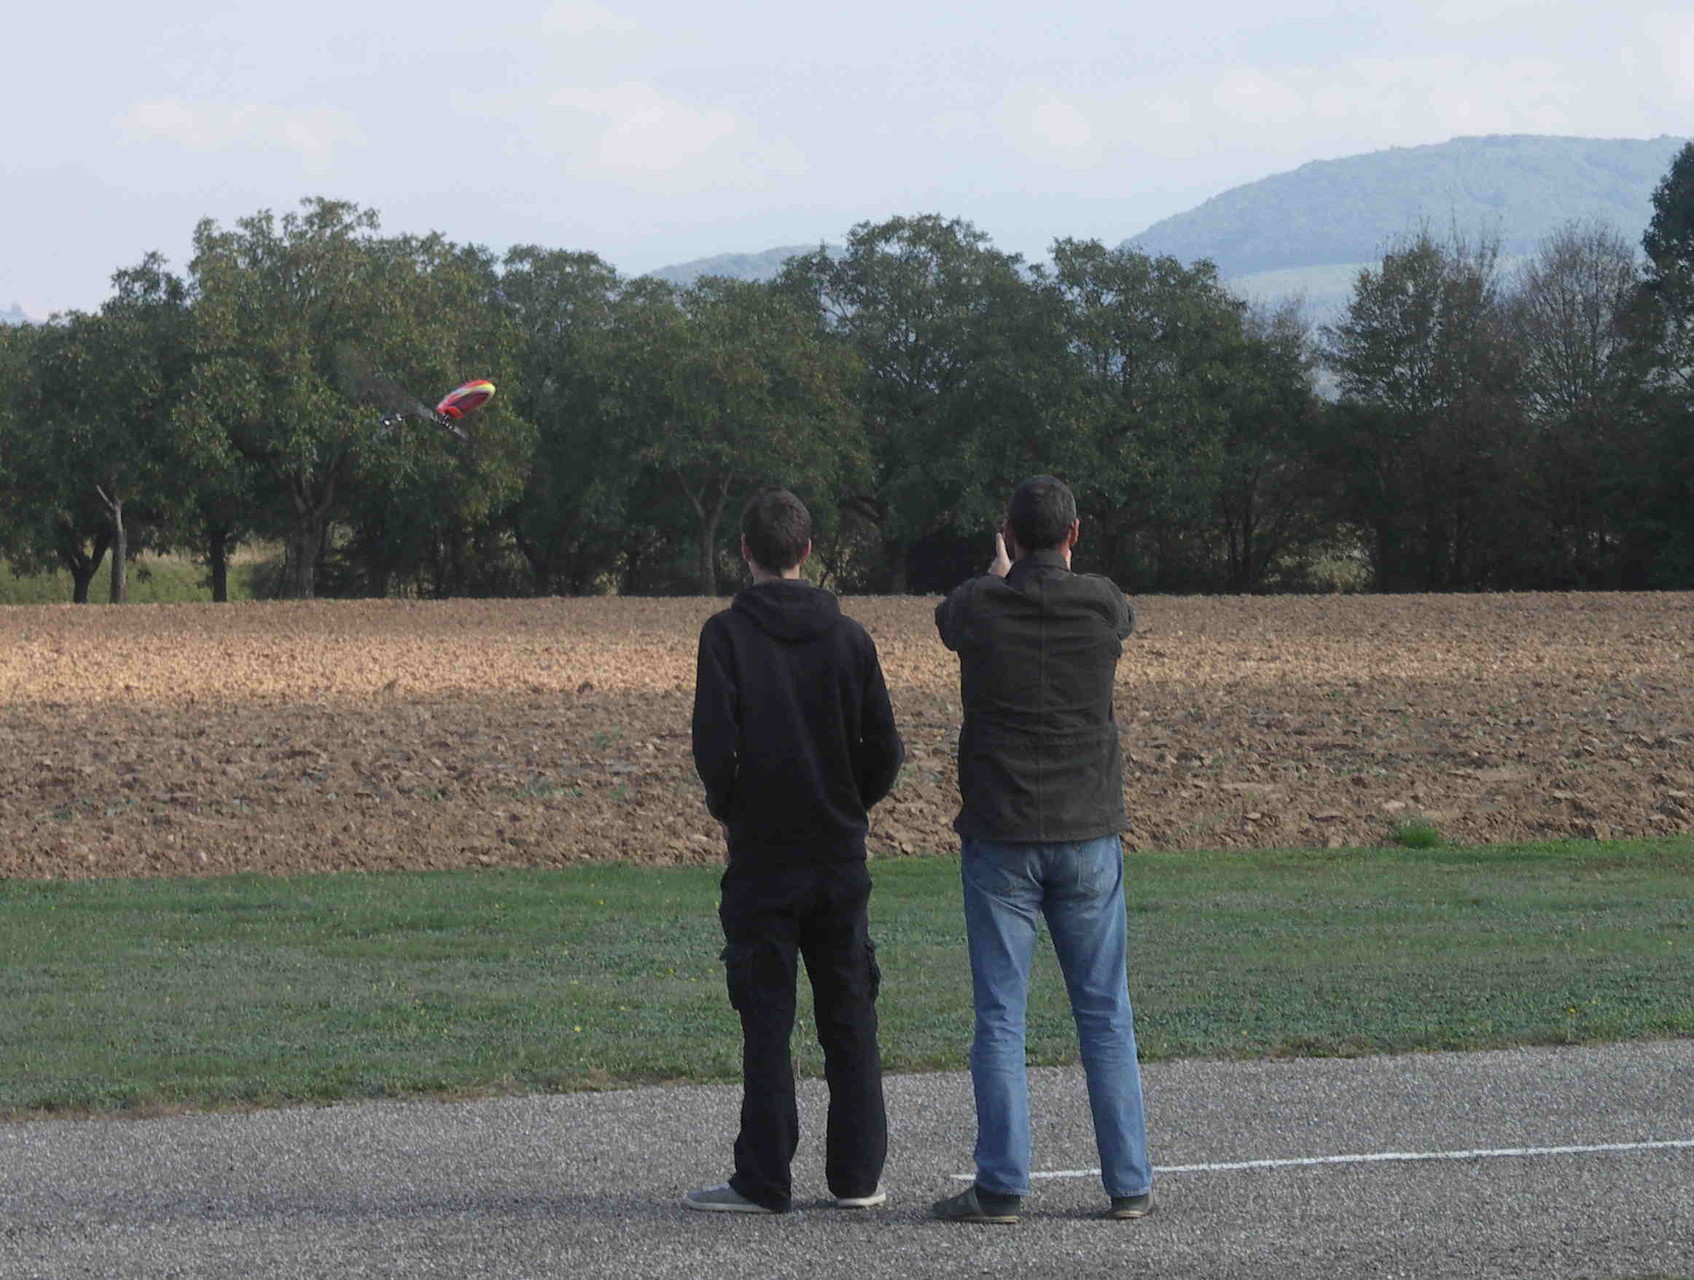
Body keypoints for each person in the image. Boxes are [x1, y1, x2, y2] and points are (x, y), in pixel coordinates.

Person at [929, 474, 1154, 1225]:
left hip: (1002, 835)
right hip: (1087, 830)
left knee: (1001, 1015)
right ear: (1075, 534)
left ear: (1009, 534)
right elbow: (1123, 616)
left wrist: (999, 576)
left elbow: (951, 617)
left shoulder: (979, 606)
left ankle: (1001, 1184)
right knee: (1104, 1013)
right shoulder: (1100, 602)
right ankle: (1128, 1182)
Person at [685, 487, 905, 1215]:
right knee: (850, 1014)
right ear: (807, 552)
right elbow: (886, 750)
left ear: (744, 550)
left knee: (767, 1021)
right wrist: (851, 803)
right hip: (839, 855)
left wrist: (735, 809)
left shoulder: (725, 637)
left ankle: (764, 1178)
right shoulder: (851, 640)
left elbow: (715, 750)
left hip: (763, 858)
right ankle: (858, 1176)